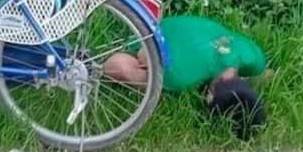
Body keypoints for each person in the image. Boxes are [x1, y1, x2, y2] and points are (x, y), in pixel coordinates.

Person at [104, 14, 267, 139]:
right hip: (150, 36)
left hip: (184, 23)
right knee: (120, 68)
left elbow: (267, 74)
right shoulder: (180, 79)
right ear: (210, 96)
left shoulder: (255, 58)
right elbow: (130, 61)